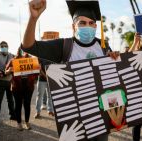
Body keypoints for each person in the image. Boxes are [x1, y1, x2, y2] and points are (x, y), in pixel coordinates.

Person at [21, 0, 120, 140]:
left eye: (91, 23)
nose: (88, 26)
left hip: (101, 114)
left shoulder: (103, 46)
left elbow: (111, 78)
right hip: (76, 116)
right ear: (74, 26)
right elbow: (28, 46)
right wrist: (33, 18)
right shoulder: (64, 45)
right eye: (82, 23)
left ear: (96, 26)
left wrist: (115, 59)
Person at [5, 48, 38, 131]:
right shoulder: (13, 60)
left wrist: (37, 69)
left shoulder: (31, 60)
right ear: (19, 50)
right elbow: (5, 72)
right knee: (18, 105)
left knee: (27, 104)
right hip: (17, 86)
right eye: (22, 50)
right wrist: (9, 70)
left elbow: (36, 73)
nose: (24, 52)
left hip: (28, 87)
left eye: (26, 50)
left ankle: (27, 122)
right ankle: (19, 123)